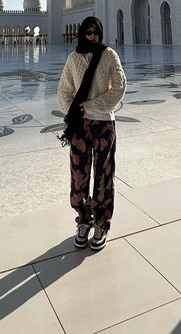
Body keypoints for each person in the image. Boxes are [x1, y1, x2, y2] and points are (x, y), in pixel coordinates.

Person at [57, 16, 126, 251]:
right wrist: (75, 112)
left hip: (104, 124)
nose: (93, 36)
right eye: (88, 32)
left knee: (104, 175)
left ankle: (101, 222)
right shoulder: (73, 58)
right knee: (79, 175)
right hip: (80, 127)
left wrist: (89, 106)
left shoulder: (109, 55)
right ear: (81, 34)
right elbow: (64, 91)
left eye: (96, 32)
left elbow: (119, 87)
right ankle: (83, 220)